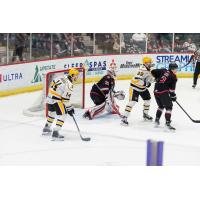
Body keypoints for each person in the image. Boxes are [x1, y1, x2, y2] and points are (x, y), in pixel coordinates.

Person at [42, 68, 79, 141]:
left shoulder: (61, 77)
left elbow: (53, 83)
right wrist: (70, 108)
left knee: (51, 113)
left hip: (49, 98)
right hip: (56, 100)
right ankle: (55, 132)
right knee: (63, 114)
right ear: (72, 75)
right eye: (76, 75)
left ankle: (46, 128)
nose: (77, 77)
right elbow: (65, 100)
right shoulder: (69, 85)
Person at [121, 57, 154, 126]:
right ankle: (124, 118)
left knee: (147, 100)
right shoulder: (142, 70)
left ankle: (145, 114)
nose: (151, 63)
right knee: (132, 102)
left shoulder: (148, 69)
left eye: (151, 62)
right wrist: (146, 84)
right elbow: (137, 80)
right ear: (145, 63)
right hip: (135, 88)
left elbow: (149, 79)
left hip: (142, 88)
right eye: (149, 62)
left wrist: (155, 80)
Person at [151, 63, 178, 130]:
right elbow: (172, 90)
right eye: (176, 68)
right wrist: (173, 97)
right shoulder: (173, 77)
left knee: (161, 106)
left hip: (156, 91)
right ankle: (167, 123)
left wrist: (157, 78)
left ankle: (156, 121)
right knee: (169, 107)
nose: (177, 70)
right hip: (163, 92)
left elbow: (153, 71)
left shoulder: (163, 70)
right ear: (172, 69)